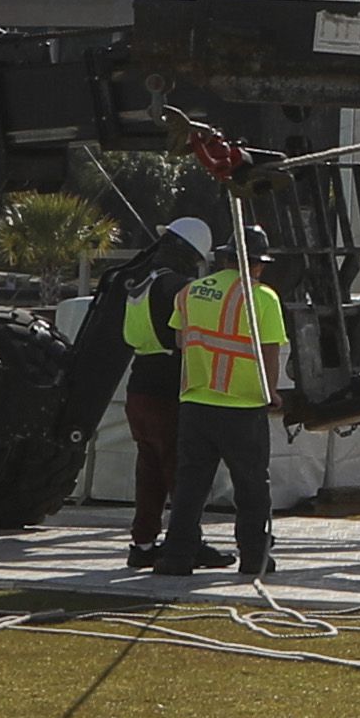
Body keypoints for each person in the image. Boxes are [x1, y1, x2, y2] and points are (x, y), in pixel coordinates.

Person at [156, 222, 294, 583]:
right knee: (251, 487)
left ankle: (176, 555)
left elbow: (181, 342)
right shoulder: (263, 298)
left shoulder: (190, 292)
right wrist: (272, 393)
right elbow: (269, 352)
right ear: (257, 264)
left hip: (195, 403)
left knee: (190, 486)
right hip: (242, 407)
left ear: (226, 258)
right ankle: (253, 556)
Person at [112, 218, 208, 572]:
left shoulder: (140, 282)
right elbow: (190, 338)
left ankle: (143, 544)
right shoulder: (180, 287)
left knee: (149, 471)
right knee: (179, 471)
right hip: (170, 388)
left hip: (139, 386)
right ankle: (188, 544)